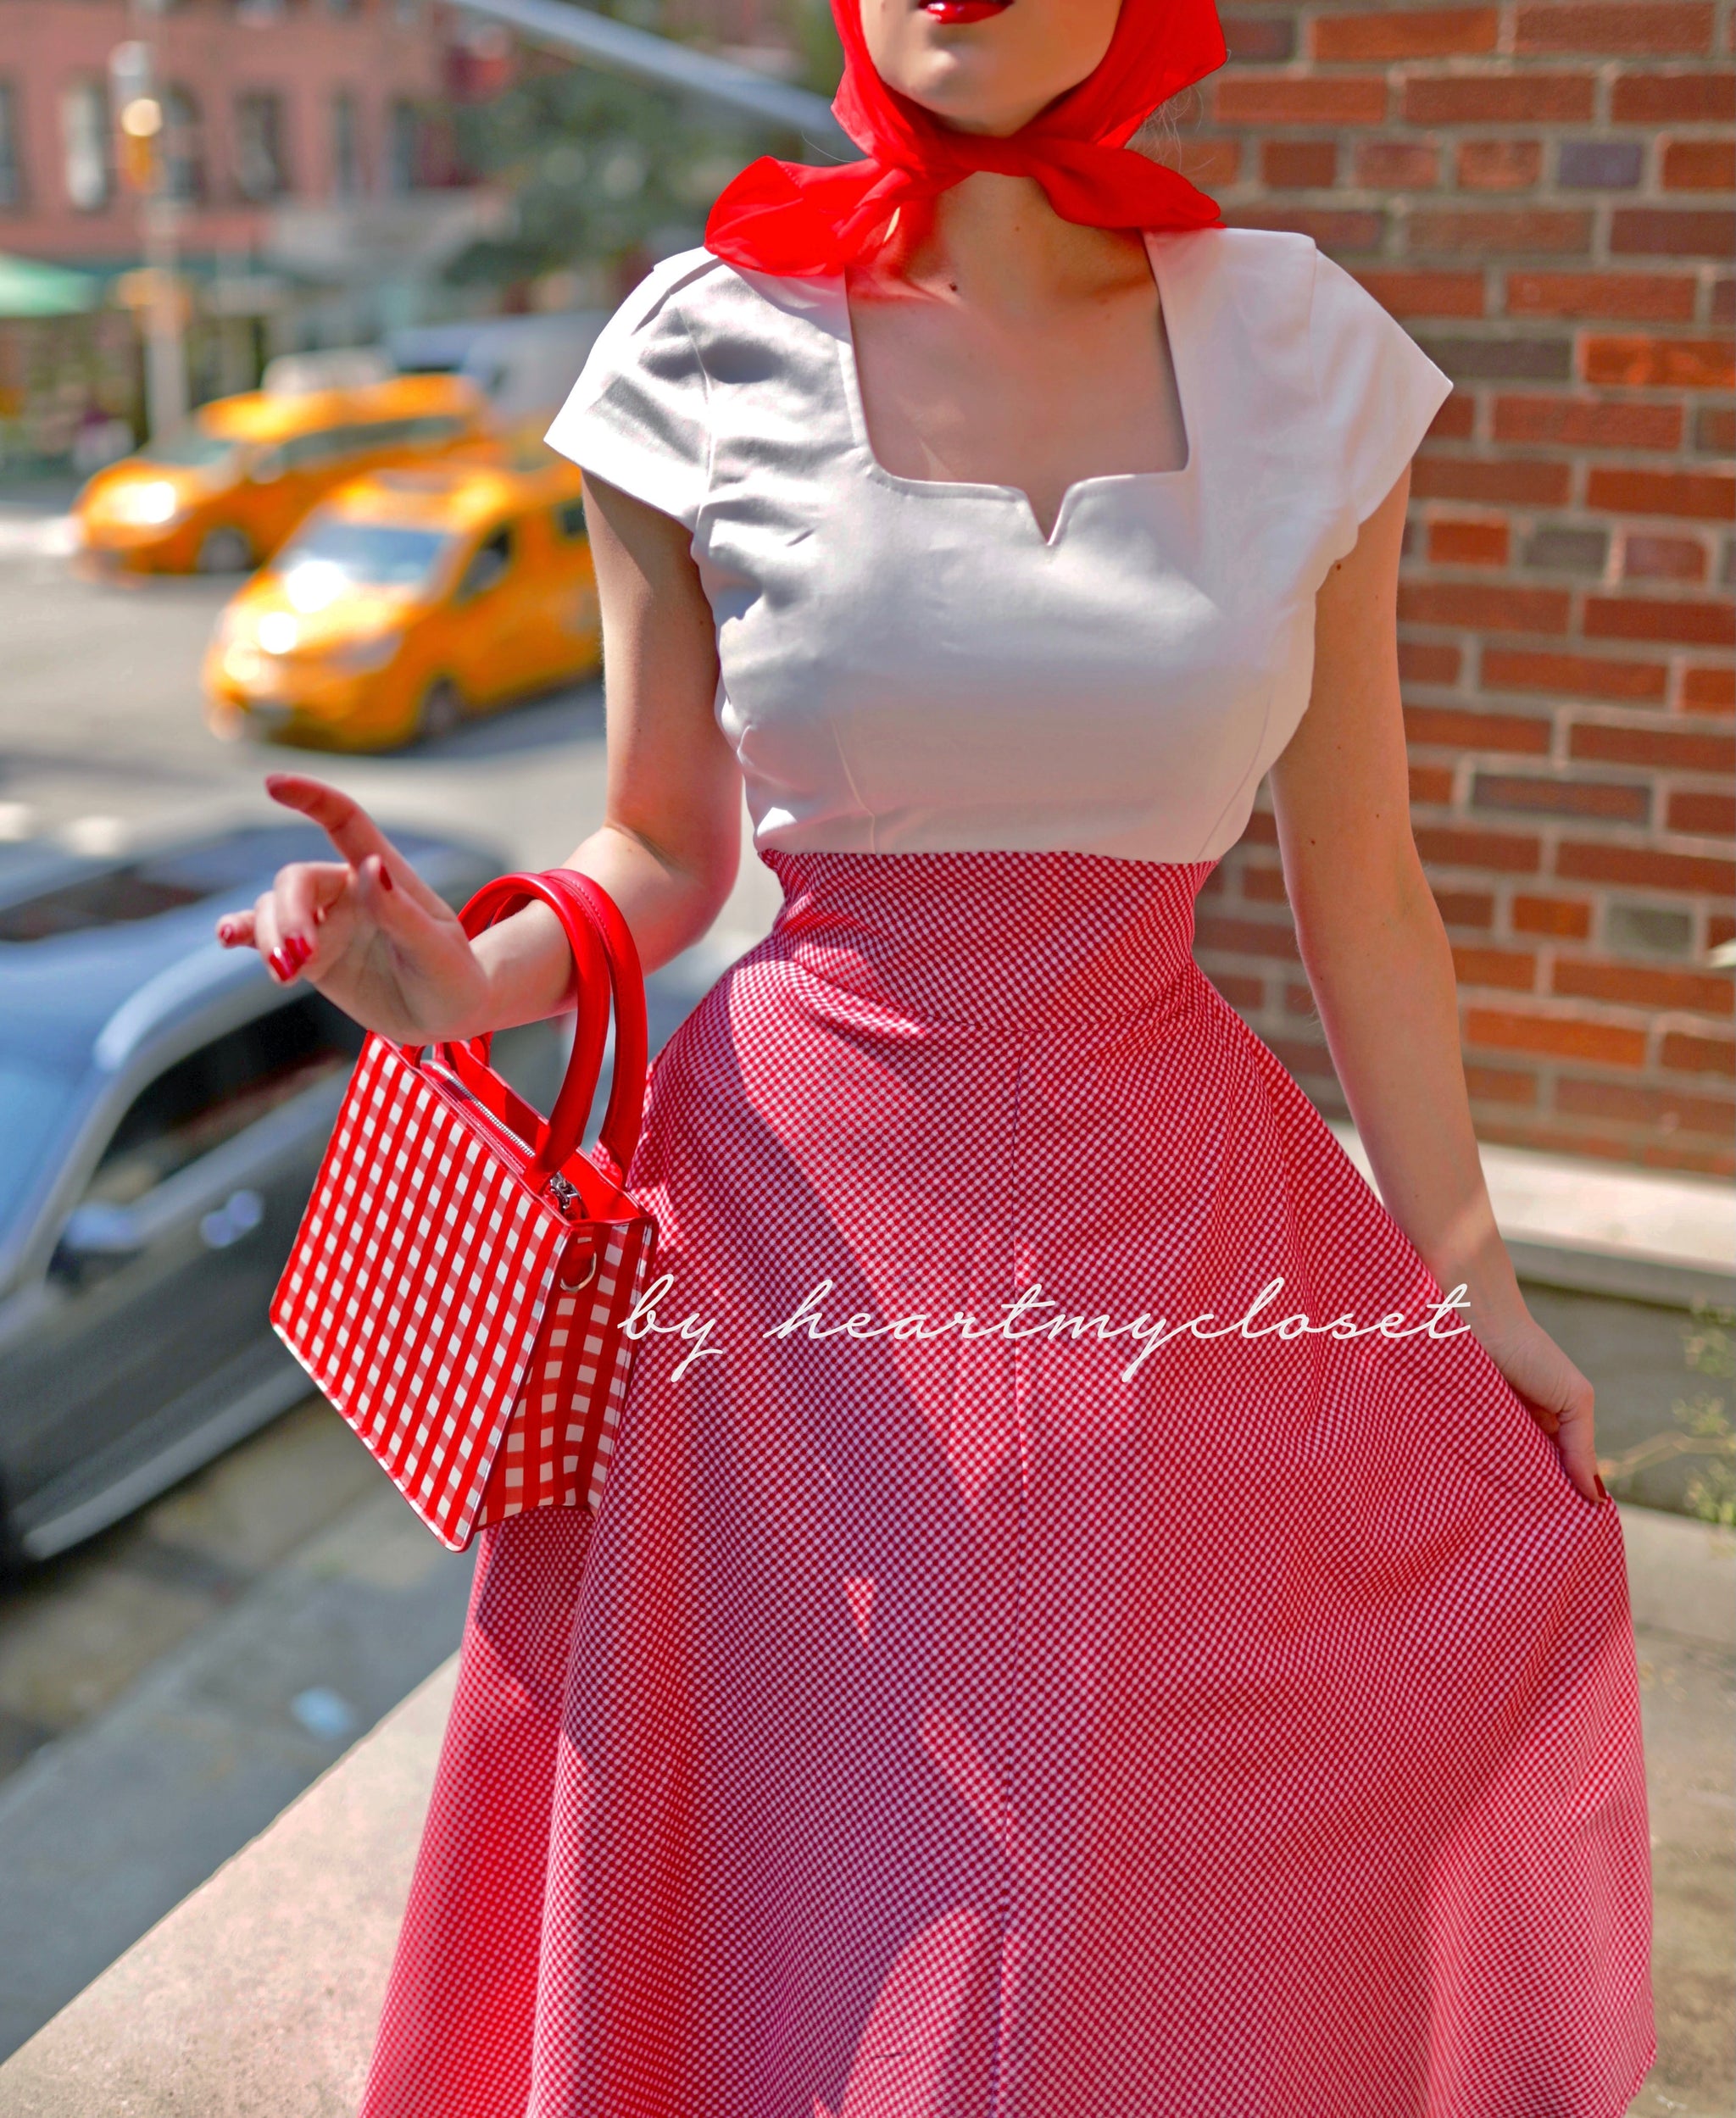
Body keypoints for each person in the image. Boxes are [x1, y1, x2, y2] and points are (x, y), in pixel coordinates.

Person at [219, 0, 1655, 2110]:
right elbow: (661, 844)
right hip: (776, 1243)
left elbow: (1364, 875)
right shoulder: (699, 345)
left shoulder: (1302, 348)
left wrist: (1472, 1275)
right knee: (800, 1864)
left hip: (1173, 1208)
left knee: (1130, 1849)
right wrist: (456, 976)